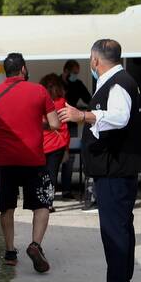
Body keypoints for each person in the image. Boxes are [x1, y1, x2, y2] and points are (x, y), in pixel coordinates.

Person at [58, 39, 141, 282]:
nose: (90, 63)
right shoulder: (114, 81)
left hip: (116, 170)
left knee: (115, 231)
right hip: (113, 169)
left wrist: (83, 115)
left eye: (90, 58)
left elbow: (120, 118)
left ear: (96, 60)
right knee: (121, 229)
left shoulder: (119, 82)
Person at [0, 53, 60, 272]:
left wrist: (6, 133)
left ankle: (10, 251)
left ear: (6, 71)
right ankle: (35, 245)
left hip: (6, 160)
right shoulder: (39, 91)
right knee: (42, 204)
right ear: (23, 69)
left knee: (7, 207)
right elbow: (54, 124)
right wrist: (35, 126)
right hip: (34, 159)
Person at [60, 60, 92, 200]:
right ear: (65, 71)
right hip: (54, 126)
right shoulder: (55, 82)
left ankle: (66, 190)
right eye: (74, 73)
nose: (75, 76)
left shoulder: (77, 84)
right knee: (53, 157)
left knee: (69, 158)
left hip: (70, 125)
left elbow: (89, 99)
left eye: (77, 74)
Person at [39, 74, 71, 212]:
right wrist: (67, 148)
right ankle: (49, 203)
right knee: (52, 175)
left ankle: (41, 201)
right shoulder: (62, 102)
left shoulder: (40, 103)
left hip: (41, 144)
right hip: (57, 145)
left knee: (41, 174)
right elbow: (64, 129)